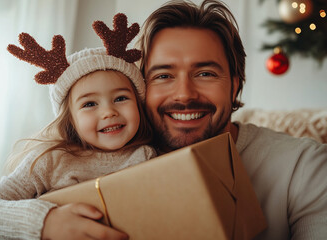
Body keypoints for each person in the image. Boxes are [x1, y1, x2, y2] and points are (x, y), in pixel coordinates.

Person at [136, 0, 327, 239]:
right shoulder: (103, 168)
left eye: (205, 74)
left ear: (235, 85)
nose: (184, 93)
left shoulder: (304, 167)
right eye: (163, 75)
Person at [0, 13, 155, 240]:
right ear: (70, 119)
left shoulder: (148, 155)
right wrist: (45, 222)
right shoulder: (50, 160)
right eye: (89, 104)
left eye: (120, 98)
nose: (108, 112)